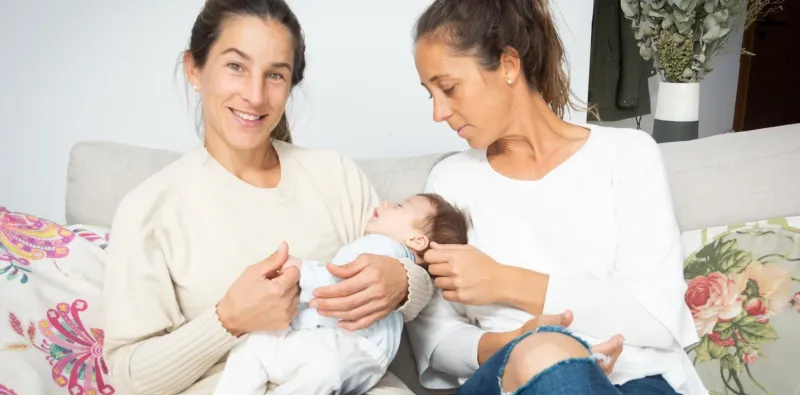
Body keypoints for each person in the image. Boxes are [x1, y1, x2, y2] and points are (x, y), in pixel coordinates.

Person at [100, 1, 447, 394]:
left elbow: (417, 290)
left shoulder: (335, 176)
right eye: (236, 66)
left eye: (275, 75)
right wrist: (228, 320)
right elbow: (129, 378)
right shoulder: (148, 210)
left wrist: (403, 282)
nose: (255, 94)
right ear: (194, 70)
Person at [405, 0, 707, 394]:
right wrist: (524, 341)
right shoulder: (451, 179)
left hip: (637, 380)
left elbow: (657, 316)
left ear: (509, 66)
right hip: (511, 380)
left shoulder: (628, 155)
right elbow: (435, 341)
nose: (438, 112)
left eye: (448, 88)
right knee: (544, 355)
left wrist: (506, 281)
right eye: (430, 94)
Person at [213, 193, 469, 395]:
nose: (387, 202)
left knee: (257, 351)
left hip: (350, 344)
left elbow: (339, 279)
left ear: (417, 240)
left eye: (400, 206)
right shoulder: (382, 250)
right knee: (313, 369)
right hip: (344, 348)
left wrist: (299, 271)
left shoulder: (381, 246)